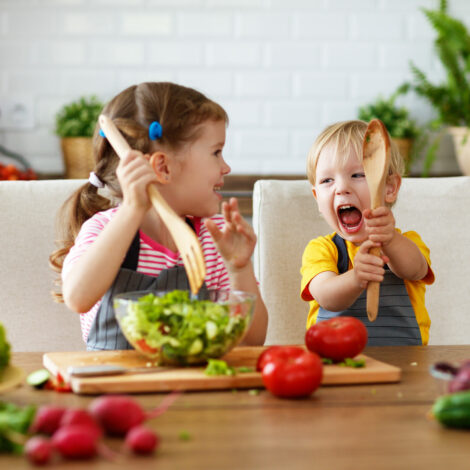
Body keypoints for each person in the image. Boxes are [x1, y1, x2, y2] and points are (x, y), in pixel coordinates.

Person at [50, 82, 268, 350]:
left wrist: (239, 267)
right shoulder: (105, 229)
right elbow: (77, 298)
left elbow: (253, 340)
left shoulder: (214, 237)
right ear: (163, 167)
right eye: (216, 152)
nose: (226, 167)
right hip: (114, 381)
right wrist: (132, 209)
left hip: (190, 384)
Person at [300, 120, 434, 345]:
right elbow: (326, 296)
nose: (341, 188)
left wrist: (389, 239)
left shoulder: (407, 242)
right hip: (335, 360)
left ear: (389, 188)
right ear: (317, 199)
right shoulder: (321, 249)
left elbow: (415, 270)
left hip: (405, 360)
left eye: (358, 175)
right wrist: (356, 277)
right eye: (327, 180)